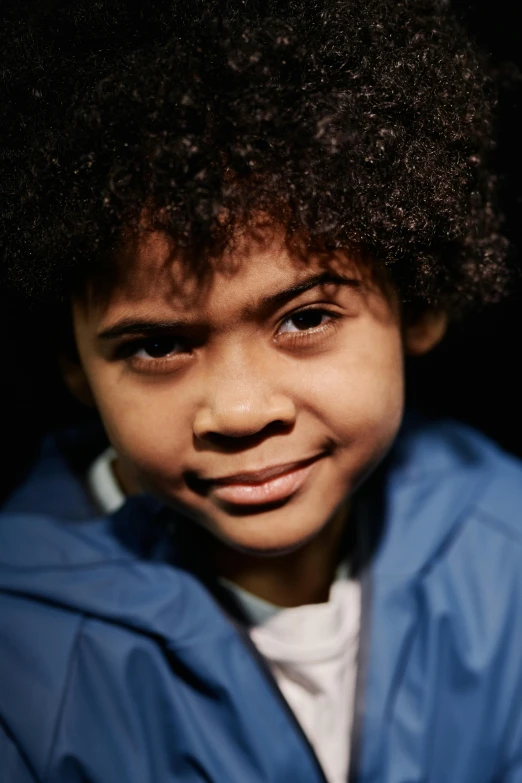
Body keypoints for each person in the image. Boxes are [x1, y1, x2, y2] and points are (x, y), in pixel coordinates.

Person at [1, 1, 521, 781]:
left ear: (417, 303)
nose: (242, 411)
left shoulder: (505, 549)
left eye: (305, 318)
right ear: (73, 363)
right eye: (158, 345)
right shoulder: (19, 660)